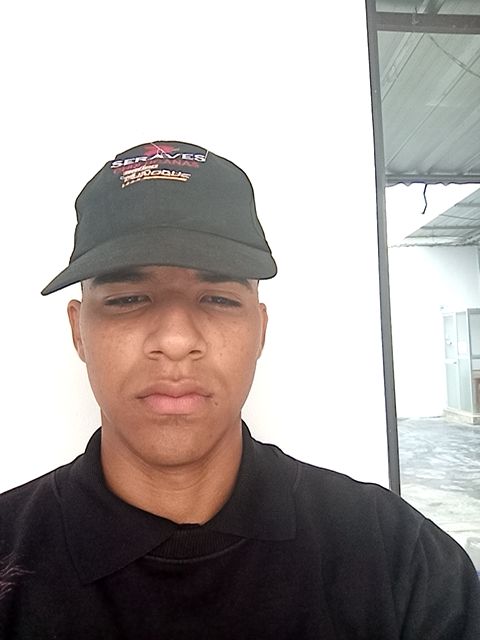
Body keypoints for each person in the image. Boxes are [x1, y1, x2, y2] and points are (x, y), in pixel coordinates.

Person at [0, 141, 478, 639]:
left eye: (218, 298)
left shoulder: (396, 558)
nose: (176, 340)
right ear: (78, 331)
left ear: (260, 330)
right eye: (129, 298)